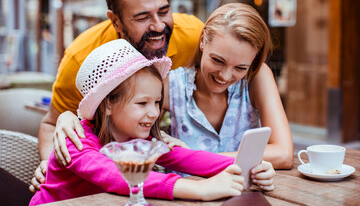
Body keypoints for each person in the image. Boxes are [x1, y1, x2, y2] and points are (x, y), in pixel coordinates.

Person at [30, 0, 283, 192]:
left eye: (164, 11)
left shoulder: (193, 35)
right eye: (142, 17)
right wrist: (51, 159)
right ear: (115, 21)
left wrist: (253, 166)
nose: (159, 26)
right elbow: (55, 125)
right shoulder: (79, 59)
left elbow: (188, 159)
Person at [29, 39, 275, 205]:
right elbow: (115, 176)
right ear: (108, 105)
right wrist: (201, 190)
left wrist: (251, 167)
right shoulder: (77, 141)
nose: (154, 113)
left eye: (157, 103)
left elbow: (190, 159)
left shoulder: (140, 141)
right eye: (142, 103)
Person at [52, 3, 293, 170]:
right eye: (217, 60)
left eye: (240, 67)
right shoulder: (172, 84)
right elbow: (114, 109)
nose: (226, 75)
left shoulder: (257, 76)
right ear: (202, 41)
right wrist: (68, 118)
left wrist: (199, 159)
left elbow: (283, 154)